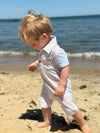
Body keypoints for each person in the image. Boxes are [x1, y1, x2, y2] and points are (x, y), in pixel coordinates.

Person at [19, 13, 91, 133]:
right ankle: (47, 121)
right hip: (47, 84)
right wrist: (36, 63)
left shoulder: (57, 51)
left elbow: (65, 67)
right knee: (44, 103)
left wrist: (61, 85)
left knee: (69, 108)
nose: (32, 46)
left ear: (44, 36)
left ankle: (83, 124)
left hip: (59, 86)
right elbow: (42, 59)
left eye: (33, 43)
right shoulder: (43, 47)